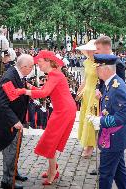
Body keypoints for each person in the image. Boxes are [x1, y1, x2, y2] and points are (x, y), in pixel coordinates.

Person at [13, 50, 77, 185]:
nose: (38, 65)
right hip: (63, 110)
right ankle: (52, 169)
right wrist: (31, 87)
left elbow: (44, 93)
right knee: (51, 139)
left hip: (63, 111)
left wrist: (24, 91)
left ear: (48, 61)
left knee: (50, 141)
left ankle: (53, 172)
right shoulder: (54, 74)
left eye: (39, 62)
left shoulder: (54, 74)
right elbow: (46, 91)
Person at [87, 54, 126, 189]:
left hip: (114, 139)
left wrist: (101, 121)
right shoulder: (111, 83)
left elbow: (122, 118)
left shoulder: (117, 87)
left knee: (105, 175)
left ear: (106, 69)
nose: (96, 70)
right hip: (114, 138)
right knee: (119, 172)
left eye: (98, 67)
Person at [0, 54, 34, 189]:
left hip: (15, 119)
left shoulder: (18, 75)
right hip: (8, 122)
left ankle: (13, 172)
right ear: (23, 67)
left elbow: (15, 95)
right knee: (10, 151)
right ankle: (7, 182)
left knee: (16, 150)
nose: (33, 69)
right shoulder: (9, 78)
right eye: (31, 66)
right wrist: (15, 121)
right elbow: (1, 104)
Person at [75, 40, 98, 157]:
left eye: (91, 50)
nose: (89, 52)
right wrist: (79, 90)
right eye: (88, 50)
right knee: (84, 118)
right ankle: (85, 142)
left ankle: (90, 146)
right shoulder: (87, 62)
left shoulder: (100, 64)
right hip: (86, 93)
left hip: (95, 94)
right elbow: (85, 78)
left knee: (91, 120)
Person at [94, 36, 126, 100]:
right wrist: (97, 89)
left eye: (98, 49)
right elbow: (100, 79)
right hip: (102, 98)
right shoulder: (102, 61)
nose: (96, 51)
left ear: (107, 47)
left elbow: (119, 86)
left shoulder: (118, 63)